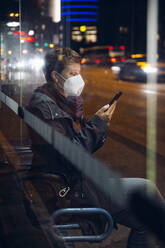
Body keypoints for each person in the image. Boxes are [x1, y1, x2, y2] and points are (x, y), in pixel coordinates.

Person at [27, 47, 164, 248]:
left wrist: (99, 125)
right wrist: (96, 125)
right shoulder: (46, 108)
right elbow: (68, 155)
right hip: (70, 191)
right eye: (72, 74)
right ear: (55, 76)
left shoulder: (63, 103)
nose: (78, 79)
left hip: (77, 182)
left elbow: (79, 147)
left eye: (79, 73)